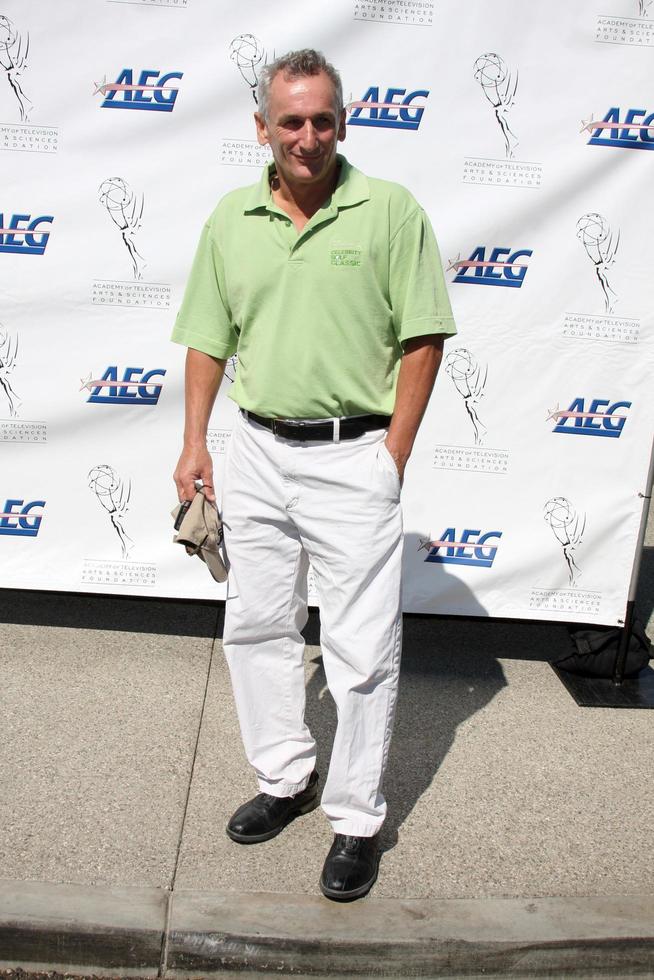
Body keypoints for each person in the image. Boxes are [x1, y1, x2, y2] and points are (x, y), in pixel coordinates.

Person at [172, 49, 455, 901]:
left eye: (322, 118)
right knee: (257, 628)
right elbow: (208, 338)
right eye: (290, 120)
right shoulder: (231, 218)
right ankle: (285, 777)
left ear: (343, 121)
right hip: (255, 452)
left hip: (351, 457)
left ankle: (357, 819)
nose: (307, 135)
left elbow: (425, 337)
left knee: (360, 651)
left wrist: (391, 456)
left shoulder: (390, 212)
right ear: (263, 128)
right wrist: (195, 444)